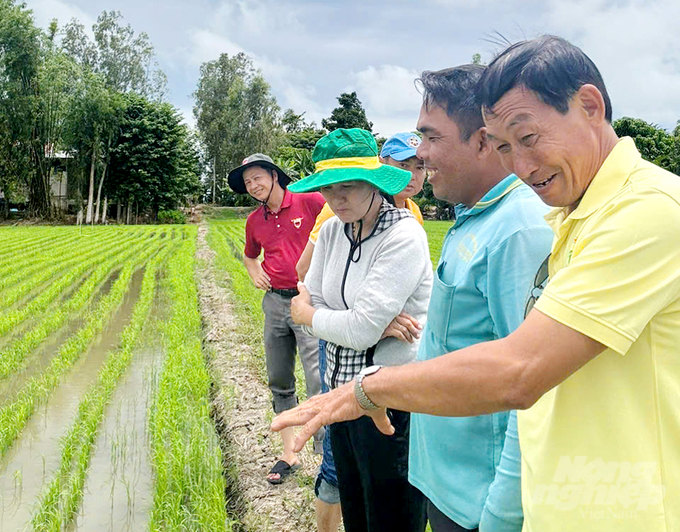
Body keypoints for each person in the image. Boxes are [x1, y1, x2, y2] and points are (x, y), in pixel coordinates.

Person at [272, 35, 680, 532]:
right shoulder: (569, 217)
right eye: (505, 146)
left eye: (527, 138)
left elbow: (519, 370)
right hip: (548, 501)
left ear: (589, 106)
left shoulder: (647, 211)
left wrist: (364, 389)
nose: (521, 166)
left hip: (620, 510)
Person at [407, 65, 554, 532]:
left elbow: (531, 388)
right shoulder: (474, 216)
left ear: (484, 140)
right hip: (447, 484)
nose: (420, 154)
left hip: (480, 501)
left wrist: (500, 517)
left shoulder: (520, 229)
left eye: (431, 138)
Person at [288, 127, 433, 532]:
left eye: (349, 186)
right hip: (340, 396)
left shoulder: (402, 234)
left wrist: (319, 319)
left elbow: (336, 322)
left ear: (373, 182)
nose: (337, 198)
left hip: (387, 400)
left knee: (390, 518)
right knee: (355, 509)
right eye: (329, 188)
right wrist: (362, 322)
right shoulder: (334, 230)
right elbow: (311, 297)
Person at [227, 153, 325, 484]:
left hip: (309, 302)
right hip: (274, 304)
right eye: (248, 182)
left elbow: (338, 220)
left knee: (317, 379)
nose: (253, 185)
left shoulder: (309, 201)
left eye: (258, 177)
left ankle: (327, 457)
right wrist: (253, 270)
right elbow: (249, 254)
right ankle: (289, 455)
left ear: (274, 175)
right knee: (280, 379)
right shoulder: (255, 221)